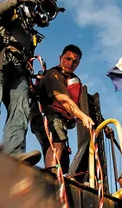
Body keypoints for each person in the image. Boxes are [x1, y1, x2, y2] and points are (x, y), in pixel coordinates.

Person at [0, 0, 63, 164]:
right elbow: (0, 8)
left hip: (19, 69)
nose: (40, 15)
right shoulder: (8, 15)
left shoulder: (31, 35)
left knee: (20, 111)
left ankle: (14, 154)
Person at [30, 44, 95, 173]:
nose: (70, 63)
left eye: (74, 61)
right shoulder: (52, 75)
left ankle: (60, 174)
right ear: (61, 58)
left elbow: (79, 103)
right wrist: (82, 116)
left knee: (64, 160)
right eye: (68, 59)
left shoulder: (73, 80)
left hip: (60, 120)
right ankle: (52, 174)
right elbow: (63, 100)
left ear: (78, 63)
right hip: (45, 116)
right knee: (57, 142)